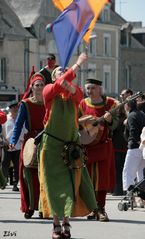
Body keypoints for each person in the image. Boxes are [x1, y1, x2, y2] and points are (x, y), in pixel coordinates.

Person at [39, 53, 97, 239]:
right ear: (53, 76)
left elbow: (71, 88)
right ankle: (55, 223)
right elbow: (59, 84)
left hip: (71, 147)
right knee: (54, 186)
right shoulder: (48, 90)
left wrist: (71, 71)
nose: (62, 73)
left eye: (64, 70)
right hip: (52, 148)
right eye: (58, 71)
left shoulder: (75, 94)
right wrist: (77, 64)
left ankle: (66, 222)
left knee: (71, 185)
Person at [79, 78, 119, 222]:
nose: (90, 91)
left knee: (101, 179)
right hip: (87, 146)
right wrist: (82, 122)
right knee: (88, 179)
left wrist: (109, 120)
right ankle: (91, 208)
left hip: (103, 146)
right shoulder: (82, 104)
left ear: (100, 89)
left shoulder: (111, 104)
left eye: (93, 88)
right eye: (88, 88)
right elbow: (76, 123)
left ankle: (101, 209)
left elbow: (115, 125)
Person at [9, 73, 46, 219]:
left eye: (42, 84)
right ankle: (30, 207)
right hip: (31, 140)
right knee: (28, 174)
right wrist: (13, 140)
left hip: (47, 139)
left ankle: (44, 207)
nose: (40, 87)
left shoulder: (49, 101)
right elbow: (18, 124)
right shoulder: (25, 104)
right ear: (32, 87)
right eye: (37, 85)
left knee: (44, 175)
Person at [112, 88, 133, 196]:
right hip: (118, 143)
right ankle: (118, 189)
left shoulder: (133, 108)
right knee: (118, 168)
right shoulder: (119, 108)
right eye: (120, 94)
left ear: (129, 94)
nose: (121, 96)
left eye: (123, 94)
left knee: (128, 169)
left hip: (128, 144)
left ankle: (127, 190)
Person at [123, 99, 145, 193]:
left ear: (127, 105)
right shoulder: (142, 113)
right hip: (142, 147)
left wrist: (137, 141)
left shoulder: (131, 115)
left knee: (128, 171)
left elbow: (133, 131)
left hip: (135, 146)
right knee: (140, 172)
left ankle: (129, 193)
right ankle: (142, 193)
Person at [1, 100, 22, 191]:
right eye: (13, 107)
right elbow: (2, 131)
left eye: (16, 107)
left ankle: (15, 184)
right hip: (7, 145)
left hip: (18, 146)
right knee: (5, 164)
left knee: (17, 166)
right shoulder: (5, 119)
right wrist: (5, 140)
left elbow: (24, 130)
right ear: (10, 109)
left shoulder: (20, 118)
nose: (15, 108)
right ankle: (3, 182)